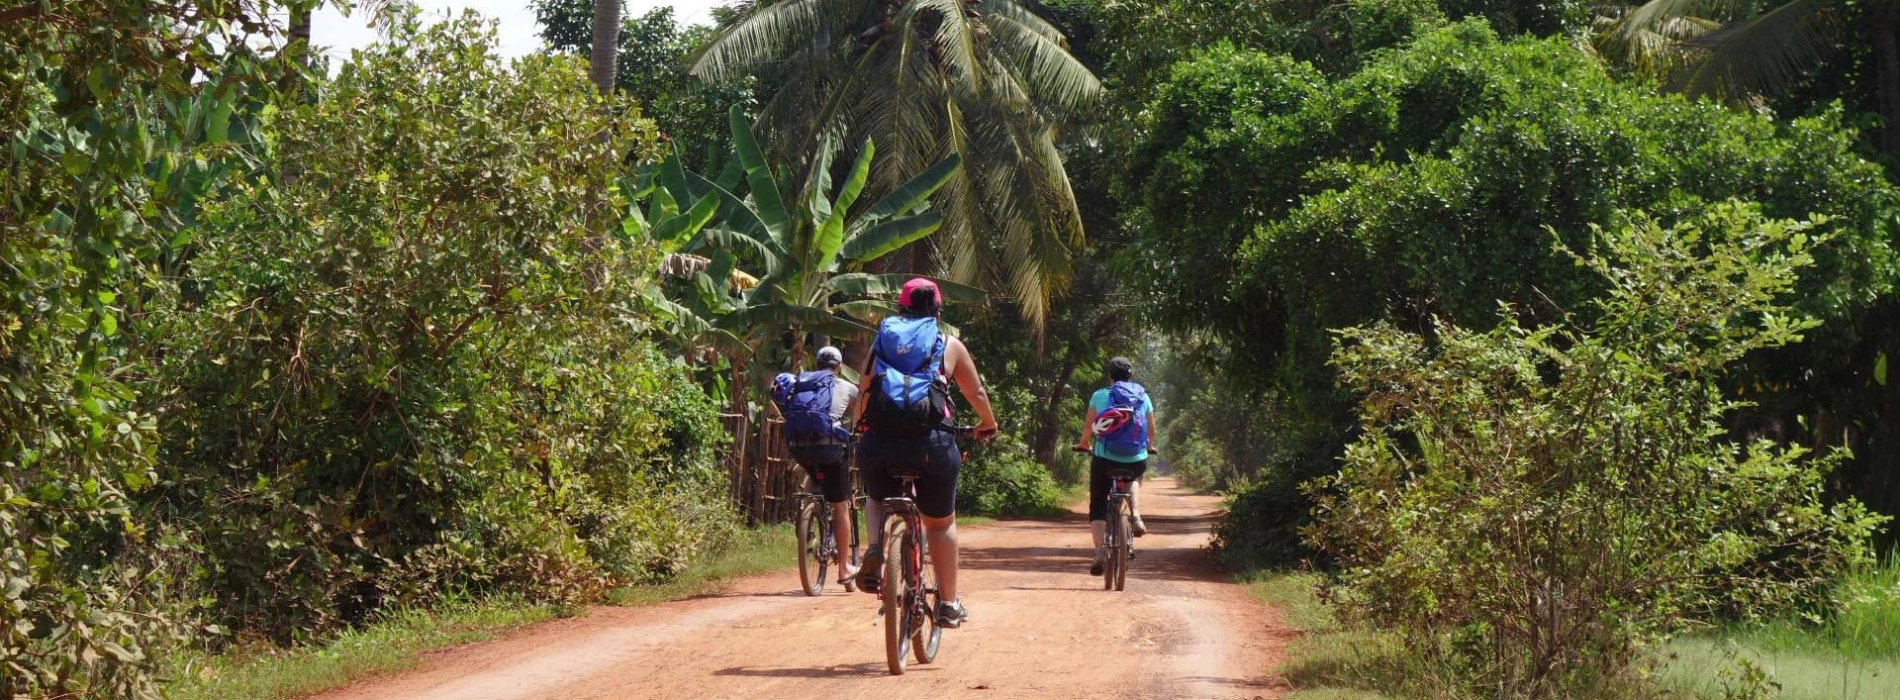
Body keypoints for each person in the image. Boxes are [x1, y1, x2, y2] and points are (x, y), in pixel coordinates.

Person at [850, 278, 998, 628]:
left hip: (881, 441)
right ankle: (947, 604)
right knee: (941, 523)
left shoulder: (882, 340)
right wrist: (987, 423)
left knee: (875, 496)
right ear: (938, 310)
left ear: (900, 308)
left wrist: (859, 427)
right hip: (931, 442)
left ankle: (875, 547)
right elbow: (974, 392)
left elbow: (864, 388)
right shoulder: (948, 343)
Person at [774, 346, 861, 585]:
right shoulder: (845, 386)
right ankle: (843, 568)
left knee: (815, 477)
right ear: (839, 367)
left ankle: (810, 510)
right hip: (831, 449)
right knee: (840, 505)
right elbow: (862, 412)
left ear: (817, 363)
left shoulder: (800, 383)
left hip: (799, 448)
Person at [1075, 357, 1154, 576]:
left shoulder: (1100, 395)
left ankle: (1100, 551)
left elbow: (1089, 426)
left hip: (1105, 459)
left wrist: (1083, 444)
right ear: (1130, 375)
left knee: (1098, 502)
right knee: (1134, 478)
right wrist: (1149, 445)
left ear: (1109, 375)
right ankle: (1136, 515)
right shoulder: (1143, 397)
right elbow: (1151, 427)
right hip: (1136, 458)